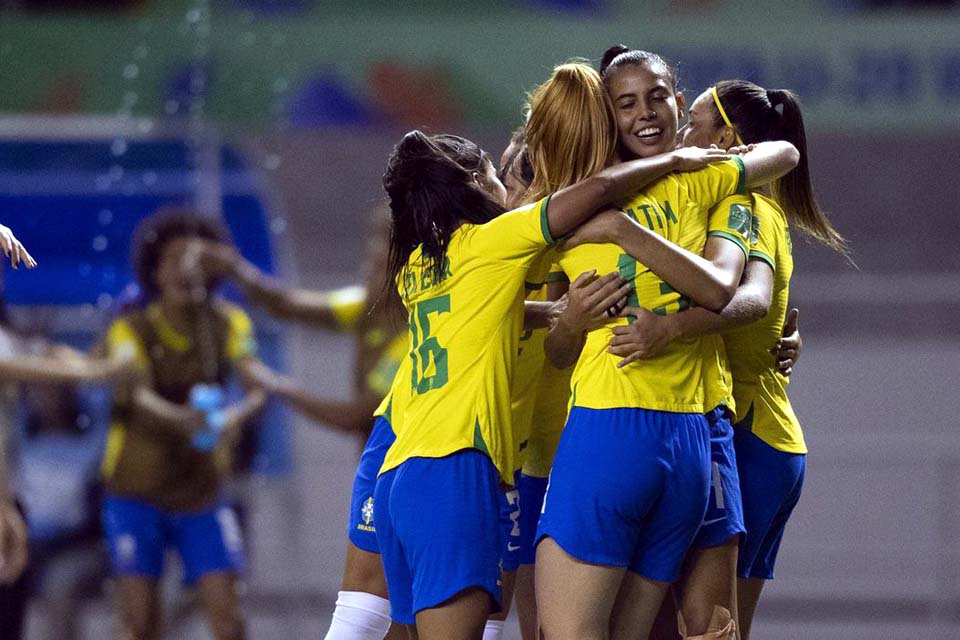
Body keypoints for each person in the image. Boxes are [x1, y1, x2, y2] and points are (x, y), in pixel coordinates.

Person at [375, 125, 733, 639]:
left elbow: (485, 313)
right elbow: (600, 189)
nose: (506, 187)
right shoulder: (492, 240)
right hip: (454, 470)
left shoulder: (416, 266)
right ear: (473, 182)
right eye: (496, 175)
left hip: (400, 475)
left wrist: (553, 313)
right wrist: (675, 160)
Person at [530, 59, 799, 640]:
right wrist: (568, 320)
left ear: (678, 103)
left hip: (621, 425)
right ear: (607, 117)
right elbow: (785, 153)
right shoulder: (702, 180)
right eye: (625, 103)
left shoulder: (567, 206)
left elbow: (742, 297)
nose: (645, 113)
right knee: (693, 628)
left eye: (657, 97)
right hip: (693, 439)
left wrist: (661, 322)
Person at [609, 79, 846, 640]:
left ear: (726, 139)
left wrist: (670, 328)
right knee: (722, 627)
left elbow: (754, 300)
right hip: (767, 440)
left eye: (692, 121)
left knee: (705, 627)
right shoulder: (745, 207)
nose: (681, 133)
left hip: (748, 436)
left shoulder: (746, 206)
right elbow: (771, 315)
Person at [192, 208, 411, 640]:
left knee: (389, 609)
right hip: (379, 480)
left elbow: (358, 417)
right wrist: (234, 267)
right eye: (370, 247)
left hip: (404, 481)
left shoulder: (412, 334)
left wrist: (279, 388)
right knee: (385, 608)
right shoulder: (365, 307)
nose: (369, 260)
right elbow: (285, 304)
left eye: (381, 252)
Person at [99, 211, 267, 640]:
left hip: (202, 494)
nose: (185, 269)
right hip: (135, 492)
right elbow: (136, 394)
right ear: (154, 270)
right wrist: (182, 421)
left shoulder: (230, 323)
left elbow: (257, 389)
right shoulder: (130, 327)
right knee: (139, 625)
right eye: (173, 259)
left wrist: (233, 418)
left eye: (196, 259)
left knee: (229, 621)